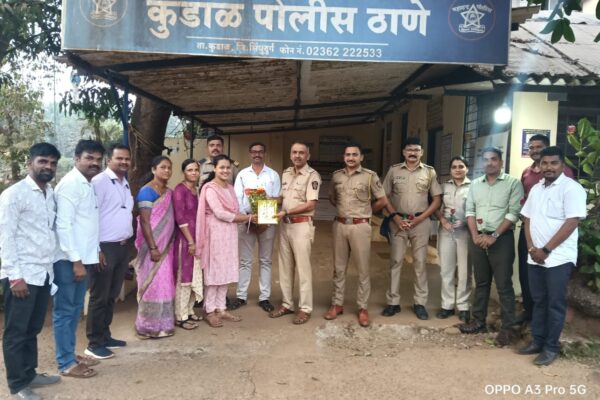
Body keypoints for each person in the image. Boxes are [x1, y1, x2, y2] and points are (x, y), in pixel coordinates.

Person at [0, 143, 62, 400]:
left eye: (52, 163)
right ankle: (18, 385)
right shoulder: (13, 195)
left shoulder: (50, 193)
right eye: (42, 161)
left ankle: (30, 373)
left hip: (43, 273)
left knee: (33, 327)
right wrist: (15, 277)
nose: (48, 166)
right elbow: (5, 237)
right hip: (22, 275)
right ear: (29, 164)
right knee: (16, 331)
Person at [518, 146, 586, 366]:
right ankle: (537, 341)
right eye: (545, 163)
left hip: (558, 258)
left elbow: (571, 222)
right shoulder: (537, 189)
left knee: (555, 303)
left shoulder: (572, 189)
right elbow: (527, 219)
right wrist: (531, 248)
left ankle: (551, 347)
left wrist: (546, 250)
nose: (548, 167)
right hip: (535, 256)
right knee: (539, 300)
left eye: (554, 163)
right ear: (540, 165)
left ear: (562, 165)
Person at [459, 147, 524, 347]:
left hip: (501, 240)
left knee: (503, 284)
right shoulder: (475, 185)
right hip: (478, 238)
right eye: (486, 159)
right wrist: (475, 235)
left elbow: (514, 212)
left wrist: (494, 236)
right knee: (481, 282)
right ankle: (479, 321)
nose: (489, 163)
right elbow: (470, 211)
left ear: (501, 162)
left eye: (494, 159)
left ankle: (507, 328)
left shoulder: (513, 183)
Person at [53, 139, 105, 378]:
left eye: (98, 159)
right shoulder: (70, 185)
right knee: (65, 311)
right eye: (89, 158)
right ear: (76, 159)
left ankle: (70, 354)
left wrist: (96, 250)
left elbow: (87, 224)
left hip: (83, 258)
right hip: (69, 261)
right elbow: (63, 226)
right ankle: (65, 363)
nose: (94, 163)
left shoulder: (87, 183)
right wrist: (76, 261)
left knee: (74, 310)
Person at [324, 143, 387, 327]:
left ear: (361, 157)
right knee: (339, 268)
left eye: (354, 154)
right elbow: (332, 198)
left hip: (360, 226)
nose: (350, 158)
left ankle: (362, 308)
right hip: (340, 225)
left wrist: (367, 211)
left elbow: (382, 200)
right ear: (344, 157)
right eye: (348, 155)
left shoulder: (369, 176)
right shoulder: (336, 176)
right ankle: (337, 304)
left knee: (362, 269)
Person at [381, 137, 442, 320]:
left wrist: (420, 219)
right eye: (409, 150)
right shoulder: (393, 171)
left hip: (420, 223)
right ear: (404, 152)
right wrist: (396, 217)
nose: (413, 153)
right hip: (397, 222)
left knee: (420, 262)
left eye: (416, 150)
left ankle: (420, 303)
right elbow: (384, 197)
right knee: (395, 261)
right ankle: (393, 302)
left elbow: (436, 200)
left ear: (421, 152)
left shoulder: (429, 172)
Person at [517, 134, 575, 325]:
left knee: (553, 294)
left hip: (554, 245)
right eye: (531, 147)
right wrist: (531, 245)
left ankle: (550, 334)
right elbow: (526, 208)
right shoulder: (528, 175)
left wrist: (546, 249)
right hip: (530, 235)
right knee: (528, 277)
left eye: (539, 147)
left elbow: (571, 218)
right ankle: (529, 314)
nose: (534, 150)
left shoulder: (566, 179)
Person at [85, 143, 133, 360]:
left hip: (122, 246)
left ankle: (105, 336)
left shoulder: (124, 183)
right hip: (105, 247)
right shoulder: (99, 182)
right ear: (109, 160)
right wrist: (96, 249)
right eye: (119, 158)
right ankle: (94, 343)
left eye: (127, 159)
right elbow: (91, 216)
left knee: (112, 294)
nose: (124, 162)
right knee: (99, 296)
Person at [196, 155, 253, 328]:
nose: (225, 170)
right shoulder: (210, 188)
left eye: (228, 167)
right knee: (214, 270)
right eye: (222, 167)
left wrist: (250, 215)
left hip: (229, 232)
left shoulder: (230, 188)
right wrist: (248, 218)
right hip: (215, 232)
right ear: (214, 168)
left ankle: (221, 308)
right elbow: (220, 213)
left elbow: (235, 210)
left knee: (226, 269)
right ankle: (209, 310)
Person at [269, 142, 321, 325]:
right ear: (290, 155)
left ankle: (305, 308)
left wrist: (287, 212)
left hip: (301, 226)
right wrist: (266, 200)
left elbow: (311, 204)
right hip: (285, 226)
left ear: (308, 156)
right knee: (285, 267)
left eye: (301, 153)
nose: (297, 155)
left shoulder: (312, 175)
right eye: (294, 152)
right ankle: (287, 304)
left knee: (303, 269)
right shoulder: (286, 173)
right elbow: (282, 198)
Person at [230, 142, 281, 313]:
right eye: (254, 151)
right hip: (247, 220)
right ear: (249, 153)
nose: (257, 154)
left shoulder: (273, 175)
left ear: (264, 153)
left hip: (267, 220)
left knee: (265, 260)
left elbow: (277, 198)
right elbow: (237, 198)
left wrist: (263, 217)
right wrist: (247, 218)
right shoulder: (242, 174)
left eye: (260, 151)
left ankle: (264, 297)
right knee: (245, 261)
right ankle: (241, 296)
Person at [134, 156, 176, 339]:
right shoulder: (146, 192)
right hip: (152, 247)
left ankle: (164, 324)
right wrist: (152, 247)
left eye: (169, 168)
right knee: (152, 284)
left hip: (167, 247)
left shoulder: (169, 192)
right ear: (153, 169)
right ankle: (146, 325)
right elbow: (145, 221)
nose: (166, 171)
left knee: (165, 283)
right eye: (162, 167)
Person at [434, 156, 472, 322]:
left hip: (465, 232)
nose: (457, 169)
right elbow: (436, 207)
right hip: (446, 232)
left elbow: (476, 209)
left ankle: (463, 306)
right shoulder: (444, 186)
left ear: (467, 169)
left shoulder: (474, 187)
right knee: (446, 270)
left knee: (464, 271)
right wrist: (442, 220)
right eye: (454, 167)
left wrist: (465, 222)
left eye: (461, 166)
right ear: (450, 170)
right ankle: (447, 305)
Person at [172, 159, 203, 330]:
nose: (193, 173)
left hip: (196, 239)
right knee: (183, 278)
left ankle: (189, 311)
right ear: (183, 172)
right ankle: (180, 316)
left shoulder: (196, 190)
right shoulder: (180, 190)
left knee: (193, 276)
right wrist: (190, 241)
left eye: (196, 170)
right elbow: (180, 217)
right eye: (190, 170)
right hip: (185, 240)